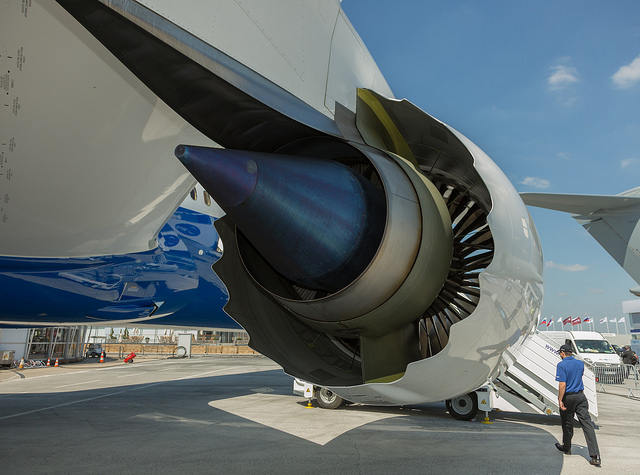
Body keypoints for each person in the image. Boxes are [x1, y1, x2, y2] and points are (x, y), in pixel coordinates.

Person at [555, 343, 601, 467]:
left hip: (568, 397)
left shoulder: (561, 365)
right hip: (581, 396)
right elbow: (578, 378)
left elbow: (562, 385)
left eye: (560, 353)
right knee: (587, 425)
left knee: (567, 423)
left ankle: (567, 448)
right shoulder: (580, 364)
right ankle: (595, 456)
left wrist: (560, 400)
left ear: (563, 353)